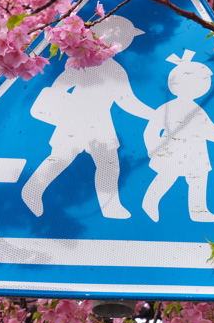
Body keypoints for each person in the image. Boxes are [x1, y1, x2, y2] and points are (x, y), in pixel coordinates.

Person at [21, 15, 153, 219]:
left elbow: (127, 101)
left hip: (98, 123)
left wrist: (154, 115)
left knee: (107, 164)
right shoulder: (82, 62)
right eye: (122, 37)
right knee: (62, 159)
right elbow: (61, 87)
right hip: (76, 119)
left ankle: (110, 206)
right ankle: (32, 191)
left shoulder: (112, 69)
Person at [141, 50, 214, 223]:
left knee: (199, 178)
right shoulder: (167, 108)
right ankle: (149, 201)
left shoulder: (198, 110)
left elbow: (210, 130)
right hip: (171, 151)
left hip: (195, 152)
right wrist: (152, 149)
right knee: (167, 176)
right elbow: (150, 131)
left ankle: (199, 211)